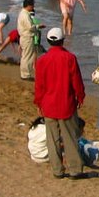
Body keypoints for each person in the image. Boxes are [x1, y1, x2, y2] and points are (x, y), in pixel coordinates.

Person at [33, 27, 87, 179]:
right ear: (62, 40)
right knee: (70, 137)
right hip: (66, 103)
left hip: (48, 104)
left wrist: (38, 103)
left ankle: (57, 169)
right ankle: (75, 169)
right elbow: (76, 80)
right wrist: (80, 96)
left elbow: (39, 85)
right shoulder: (69, 58)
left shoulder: (42, 60)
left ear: (49, 41)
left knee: (52, 138)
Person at [17, 0, 44, 79]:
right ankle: (26, 74)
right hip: (27, 37)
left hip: (24, 37)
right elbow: (30, 27)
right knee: (28, 56)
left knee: (25, 55)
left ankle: (24, 73)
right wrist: (39, 26)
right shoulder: (25, 15)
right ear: (28, 6)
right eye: (32, 6)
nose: (33, 7)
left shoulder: (23, 13)